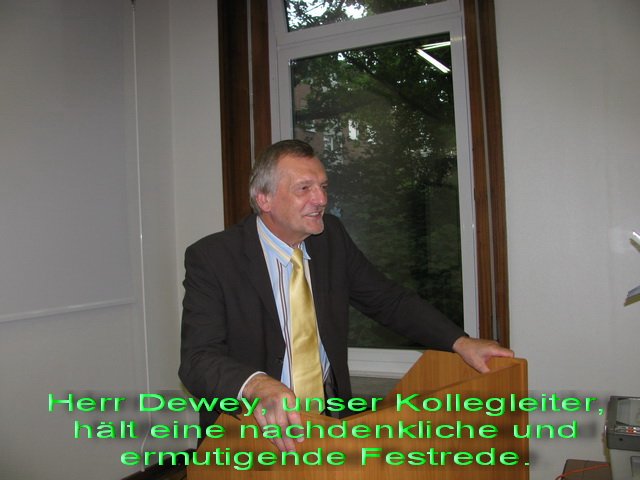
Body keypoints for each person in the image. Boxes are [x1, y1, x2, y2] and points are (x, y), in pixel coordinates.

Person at [179, 139, 513, 452]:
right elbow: (197, 360)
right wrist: (257, 385)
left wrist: (459, 341)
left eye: (323, 187)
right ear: (264, 199)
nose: (321, 199)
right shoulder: (213, 258)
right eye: (304, 188)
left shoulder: (331, 238)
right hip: (250, 432)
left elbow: (388, 300)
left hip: (328, 422)